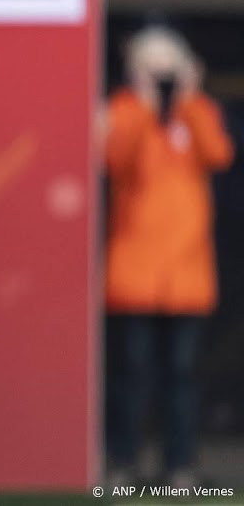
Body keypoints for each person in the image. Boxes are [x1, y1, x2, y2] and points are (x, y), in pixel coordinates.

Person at [103, 26, 235, 487]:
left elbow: (218, 154)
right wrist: (143, 101)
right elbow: (117, 158)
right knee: (131, 377)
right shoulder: (123, 109)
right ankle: (124, 464)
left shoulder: (199, 112)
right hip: (134, 272)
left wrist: (188, 96)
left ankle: (180, 466)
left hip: (187, 273)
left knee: (182, 378)